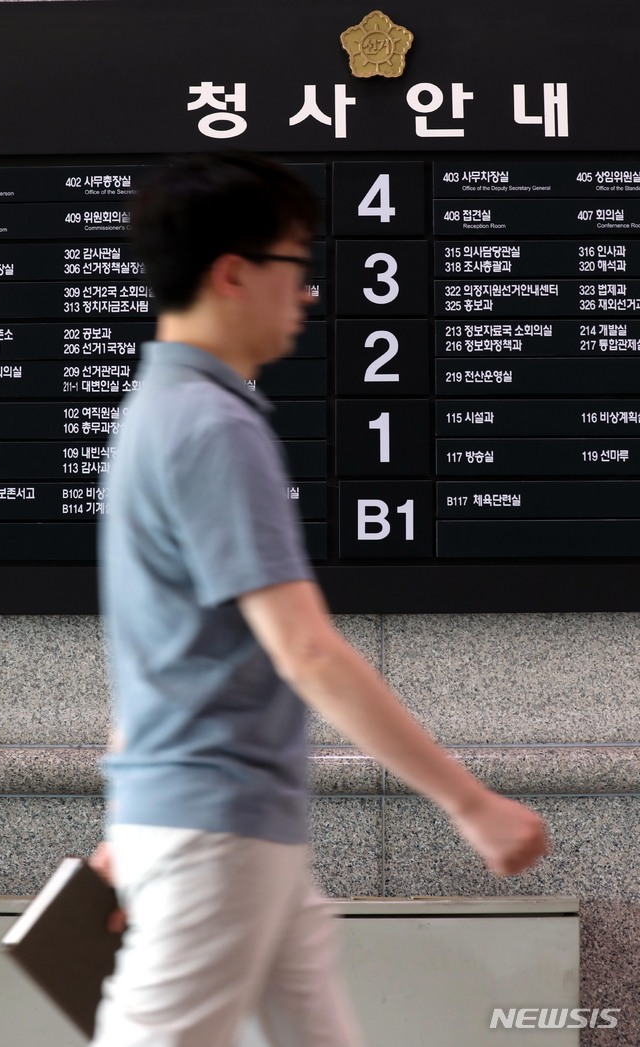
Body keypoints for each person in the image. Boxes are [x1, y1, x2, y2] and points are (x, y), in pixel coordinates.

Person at [90, 152, 548, 1047]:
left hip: (210, 820)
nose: (306, 293)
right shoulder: (214, 427)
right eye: (295, 264)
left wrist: (134, 817)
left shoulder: (156, 411)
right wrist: (470, 803)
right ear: (233, 273)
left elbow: (157, 646)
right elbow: (305, 649)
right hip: (214, 830)